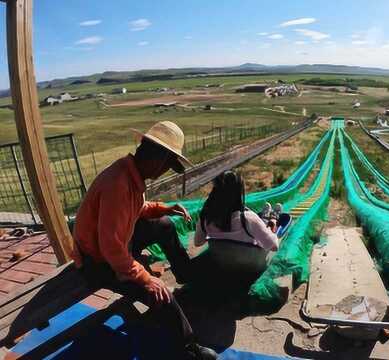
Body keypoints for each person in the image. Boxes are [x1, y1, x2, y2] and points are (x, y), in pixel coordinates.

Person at [72, 121, 217, 360]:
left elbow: (136, 208)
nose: (164, 172)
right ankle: (188, 350)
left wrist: (164, 209)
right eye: (167, 165)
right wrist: (147, 278)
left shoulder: (130, 173)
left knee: (164, 224)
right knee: (161, 295)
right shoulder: (118, 184)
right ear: (158, 159)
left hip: (113, 245)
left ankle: (185, 274)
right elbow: (111, 249)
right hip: (98, 261)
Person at [195, 171, 279, 274]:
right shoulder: (248, 219)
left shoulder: (206, 217)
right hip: (251, 269)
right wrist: (272, 228)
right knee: (267, 226)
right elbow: (274, 246)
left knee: (257, 224)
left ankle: (265, 218)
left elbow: (198, 242)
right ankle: (271, 219)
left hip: (222, 267)